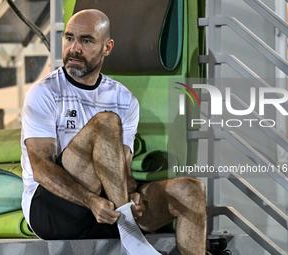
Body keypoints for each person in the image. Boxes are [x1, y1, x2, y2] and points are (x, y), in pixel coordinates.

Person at [21, 9, 207, 255]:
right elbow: (41, 168)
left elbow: (122, 170)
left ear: (107, 48)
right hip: (54, 210)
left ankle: (129, 220)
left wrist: (132, 194)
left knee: (191, 190)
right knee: (106, 122)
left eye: (86, 40)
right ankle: (129, 229)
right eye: (69, 38)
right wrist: (92, 201)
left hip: (109, 210)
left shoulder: (124, 98)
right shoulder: (44, 92)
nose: (74, 48)